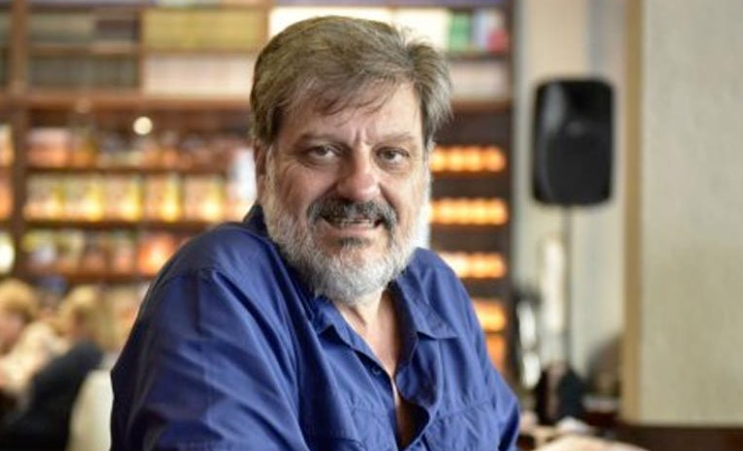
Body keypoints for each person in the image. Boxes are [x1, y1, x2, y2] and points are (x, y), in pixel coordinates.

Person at [111, 15, 520, 451]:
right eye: (323, 151)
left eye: (391, 155)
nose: (360, 185)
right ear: (264, 163)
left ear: (424, 168)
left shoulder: (437, 288)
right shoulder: (217, 288)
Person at [0, 285, 118, 450]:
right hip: (52, 430)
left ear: (79, 320)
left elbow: (38, 384)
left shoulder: (83, 351)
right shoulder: (99, 354)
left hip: (41, 433)